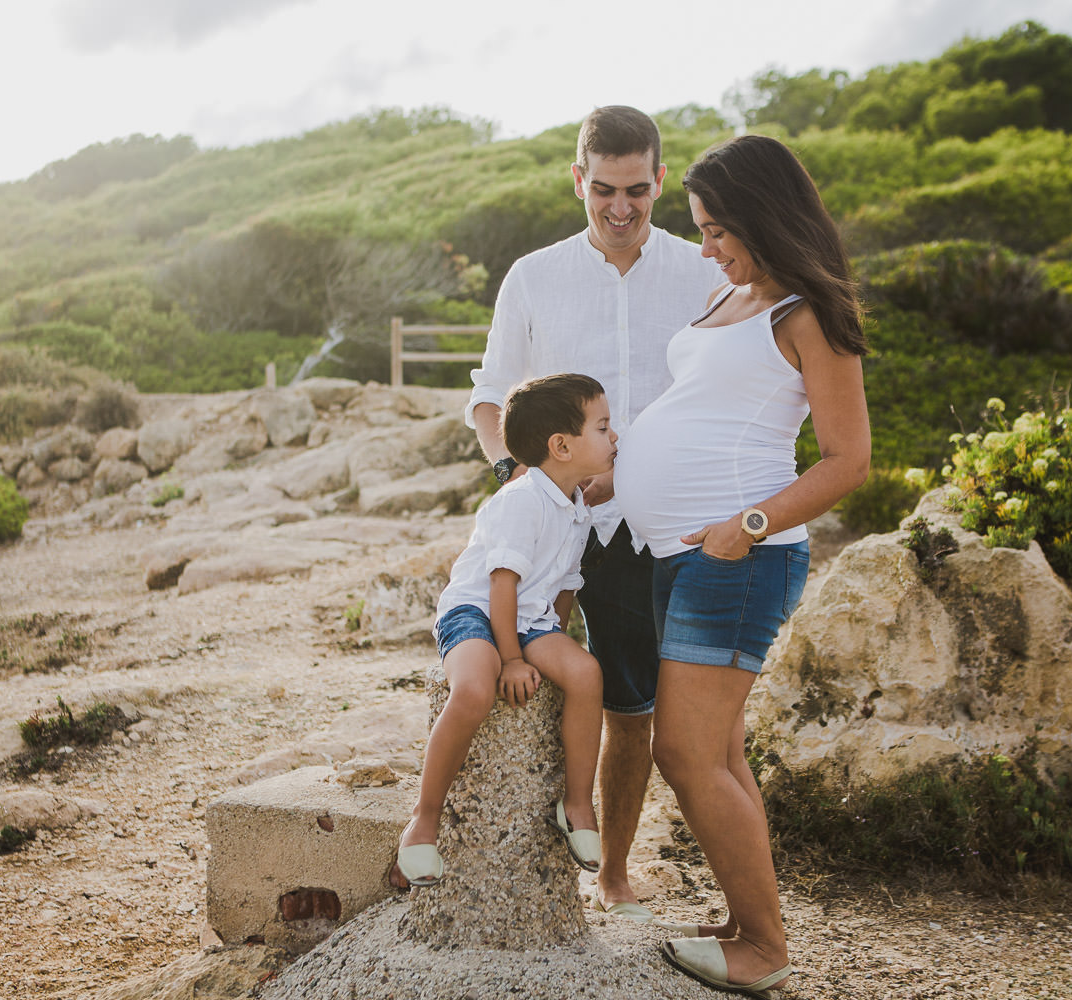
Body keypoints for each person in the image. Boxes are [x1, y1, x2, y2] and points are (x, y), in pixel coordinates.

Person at [615, 134, 870, 997]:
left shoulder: (805, 312)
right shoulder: (735, 298)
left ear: (765, 217)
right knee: (719, 751)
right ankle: (742, 919)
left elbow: (848, 460)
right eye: (701, 229)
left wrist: (746, 526)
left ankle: (763, 948)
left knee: (684, 754)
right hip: (676, 556)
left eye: (720, 229)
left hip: (738, 559)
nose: (708, 247)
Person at [466, 105, 722, 918]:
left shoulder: (703, 272)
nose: (620, 208)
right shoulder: (533, 276)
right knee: (510, 677)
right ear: (579, 179)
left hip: (662, 528)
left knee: (634, 706)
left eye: (638, 191)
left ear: (658, 180)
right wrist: (523, 477)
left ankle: (611, 872)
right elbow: (488, 400)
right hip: (551, 530)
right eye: (603, 189)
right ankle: (499, 869)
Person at [392, 373, 616, 888]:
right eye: (602, 427)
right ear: (561, 446)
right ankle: (424, 820)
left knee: (585, 674)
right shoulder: (522, 499)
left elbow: (563, 589)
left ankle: (577, 804)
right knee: (475, 685)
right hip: (476, 610)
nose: (615, 437)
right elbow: (501, 587)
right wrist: (513, 659)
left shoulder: (578, 509)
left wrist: (551, 648)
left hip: (531, 618)